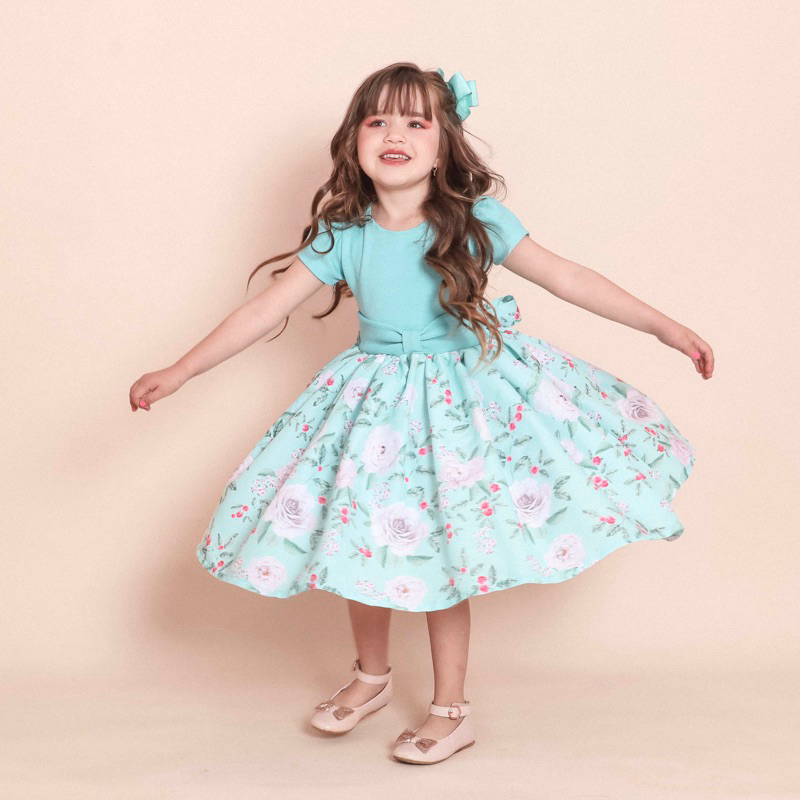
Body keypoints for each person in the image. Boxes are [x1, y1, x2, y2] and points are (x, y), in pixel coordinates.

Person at [128, 62, 712, 765]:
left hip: (459, 406)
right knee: (356, 535)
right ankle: (371, 678)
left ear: (443, 146)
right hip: (371, 405)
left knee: (444, 545)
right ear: (355, 141)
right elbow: (263, 309)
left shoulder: (474, 219)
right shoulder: (343, 232)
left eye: (416, 121)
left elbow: (567, 276)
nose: (395, 134)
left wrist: (662, 326)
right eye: (377, 120)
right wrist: (180, 370)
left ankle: (450, 710)